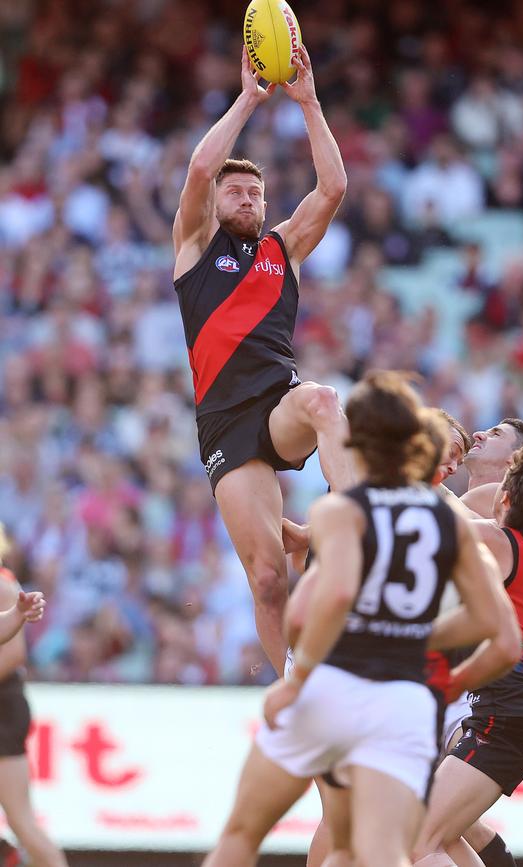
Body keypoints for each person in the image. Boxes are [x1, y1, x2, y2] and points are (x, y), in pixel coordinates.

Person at [201, 371, 521, 867]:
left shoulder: (342, 510)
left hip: (335, 681)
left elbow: (331, 597)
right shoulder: (453, 524)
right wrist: (427, 652)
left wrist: (297, 677)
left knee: (245, 833)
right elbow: (501, 636)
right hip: (404, 703)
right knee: (389, 850)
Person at [173, 44, 352, 674]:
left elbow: (333, 186)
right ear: (218, 205)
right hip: (225, 421)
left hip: (278, 402)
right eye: (236, 191)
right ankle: (295, 689)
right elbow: (199, 170)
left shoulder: (284, 250)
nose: (246, 198)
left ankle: (357, 512)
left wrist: (308, 102)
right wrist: (250, 96)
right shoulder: (195, 250)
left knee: (324, 401)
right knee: (270, 579)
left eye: (255, 192)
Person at [414, 444, 523, 867]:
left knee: (417, 839)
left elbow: (436, 517)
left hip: (501, 712)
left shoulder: (498, 541)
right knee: (442, 834)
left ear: (504, 499)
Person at [0, 526, 66, 867]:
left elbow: (12, 656)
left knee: (21, 819)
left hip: (3, 707)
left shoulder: (2, 584)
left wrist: (14, 615)